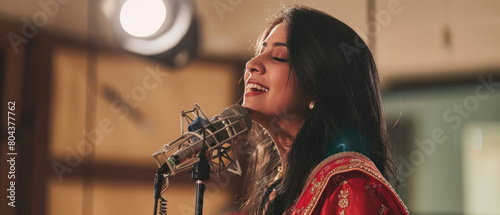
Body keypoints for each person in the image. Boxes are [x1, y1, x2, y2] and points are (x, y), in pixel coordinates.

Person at [239, 6, 409, 215]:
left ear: (316, 90)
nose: (251, 64)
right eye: (260, 52)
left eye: (279, 57)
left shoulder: (347, 187)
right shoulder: (279, 191)